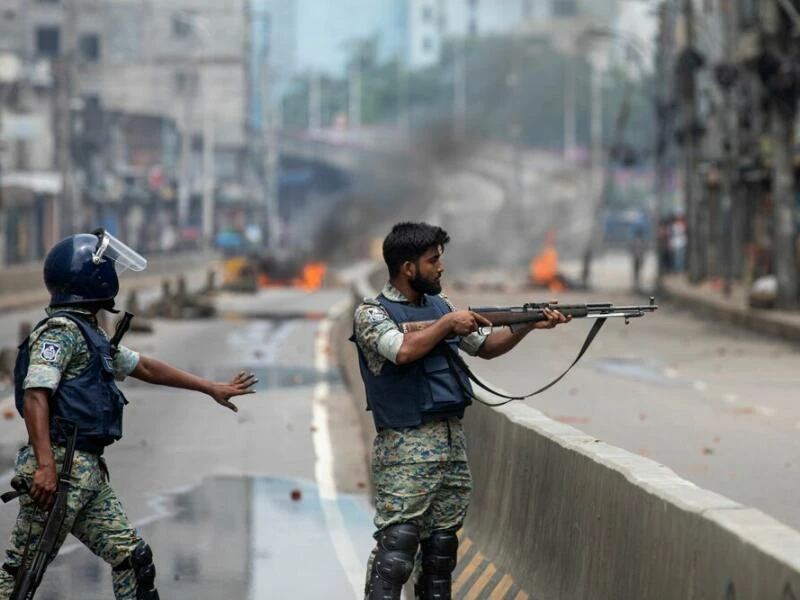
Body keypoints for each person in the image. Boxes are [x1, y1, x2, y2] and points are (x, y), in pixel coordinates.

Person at [0, 230, 257, 600]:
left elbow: (145, 367)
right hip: (59, 472)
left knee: (133, 560)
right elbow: (36, 395)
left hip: (85, 476)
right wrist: (44, 467)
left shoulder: (90, 334)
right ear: (90, 277)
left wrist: (209, 387)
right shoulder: (60, 331)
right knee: (19, 578)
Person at [352, 222, 569, 600]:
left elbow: (486, 346)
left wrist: (529, 324)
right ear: (407, 268)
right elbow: (401, 350)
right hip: (405, 450)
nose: (440, 268)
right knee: (396, 554)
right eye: (432, 261)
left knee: (440, 555)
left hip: (451, 449)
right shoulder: (372, 314)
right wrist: (447, 324)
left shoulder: (442, 306)